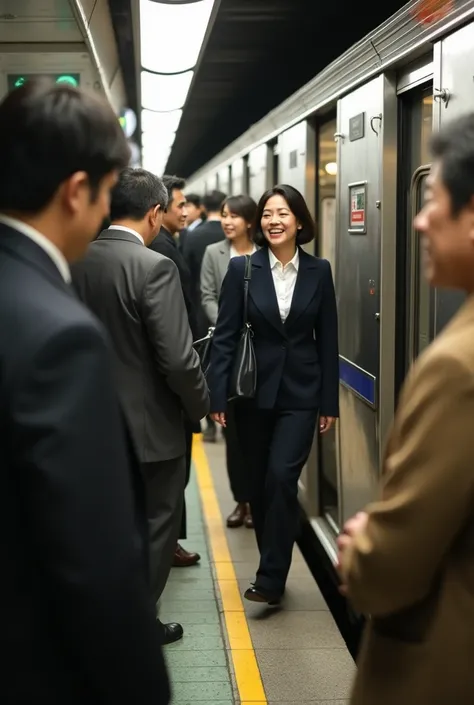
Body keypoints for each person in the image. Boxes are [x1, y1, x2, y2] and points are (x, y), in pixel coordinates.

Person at [0, 79, 170, 703]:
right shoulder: (59, 336)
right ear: (76, 192)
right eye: (103, 197)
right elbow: (93, 561)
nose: (103, 217)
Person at [337, 113, 474, 705]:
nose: (418, 220)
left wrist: (363, 545)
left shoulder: (457, 367)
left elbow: (391, 567)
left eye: (433, 199)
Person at [71, 167, 209, 644]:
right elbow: (177, 357)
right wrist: (200, 405)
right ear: (155, 213)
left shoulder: (75, 259)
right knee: (155, 528)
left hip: (89, 424)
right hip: (150, 431)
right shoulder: (154, 266)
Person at [209, 184, 339, 604]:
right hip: (251, 396)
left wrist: (329, 403)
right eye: (267, 214)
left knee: (283, 478)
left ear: (299, 221)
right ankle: (272, 562)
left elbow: (326, 341)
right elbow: (225, 338)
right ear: (260, 223)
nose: (273, 220)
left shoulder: (320, 271)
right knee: (261, 485)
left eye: (282, 213)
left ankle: (270, 578)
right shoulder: (242, 270)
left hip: (301, 394)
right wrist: (217, 396)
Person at [149, 174, 202, 567]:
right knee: (172, 473)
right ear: (158, 210)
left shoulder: (169, 243)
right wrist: (196, 395)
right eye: (180, 205)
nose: (186, 211)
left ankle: (170, 543)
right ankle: (165, 547)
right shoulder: (163, 251)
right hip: (171, 385)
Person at [201, 194, 258, 528]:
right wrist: (228, 322)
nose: (227, 221)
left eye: (234, 216)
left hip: (260, 354)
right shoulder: (214, 253)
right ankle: (242, 502)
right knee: (234, 435)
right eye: (224, 215)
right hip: (230, 350)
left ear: (249, 221)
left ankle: (258, 497)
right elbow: (206, 295)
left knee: (258, 432)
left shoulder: (265, 253)